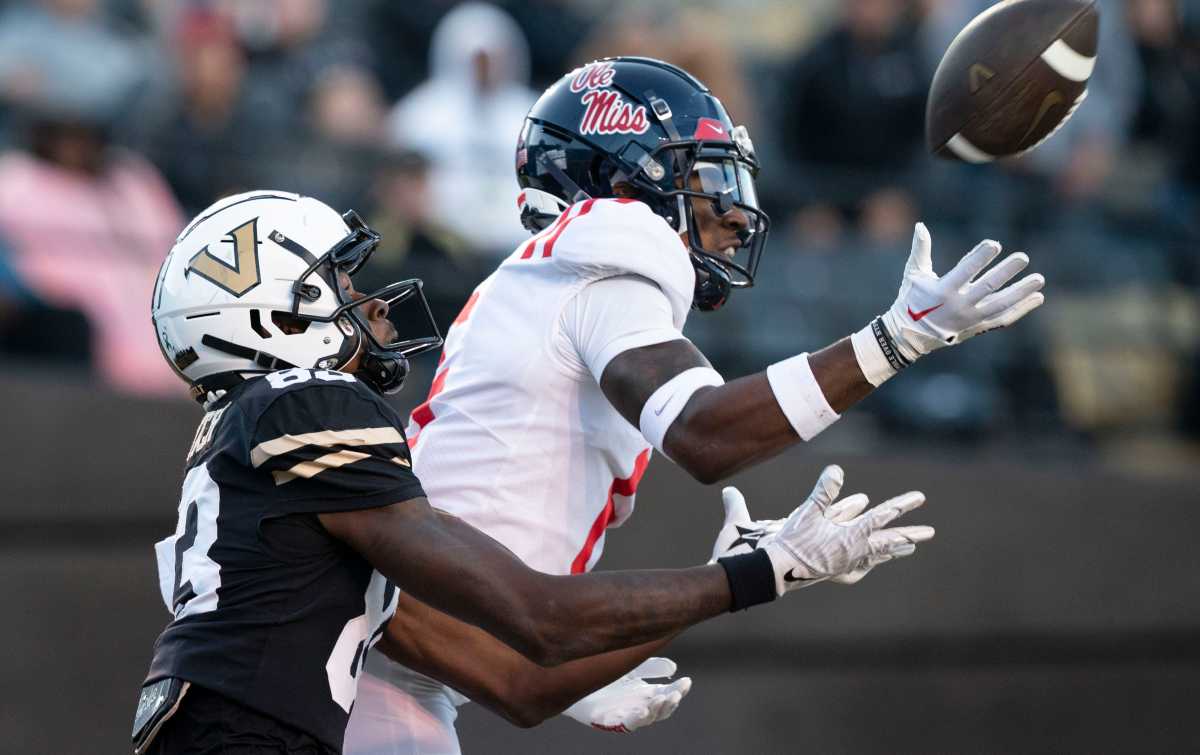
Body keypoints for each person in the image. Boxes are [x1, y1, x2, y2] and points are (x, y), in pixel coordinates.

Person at [345, 56, 1046, 754]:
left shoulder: (555, 279)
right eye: (705, 176)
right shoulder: (609, 247)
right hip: (383, 655)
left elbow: (526, 674)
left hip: (402, 658)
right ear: (626, 180)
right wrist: (894, 341)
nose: (734, 215)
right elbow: (706, 436)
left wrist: (750, 572)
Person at [134, 190, 935, 754]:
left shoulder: (253, 430)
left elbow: (516, 675)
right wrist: (760, 573)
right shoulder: (306, 406)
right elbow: (536, 614)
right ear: (273, 311)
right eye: (343, 285)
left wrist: (741, 577)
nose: (372, 305)